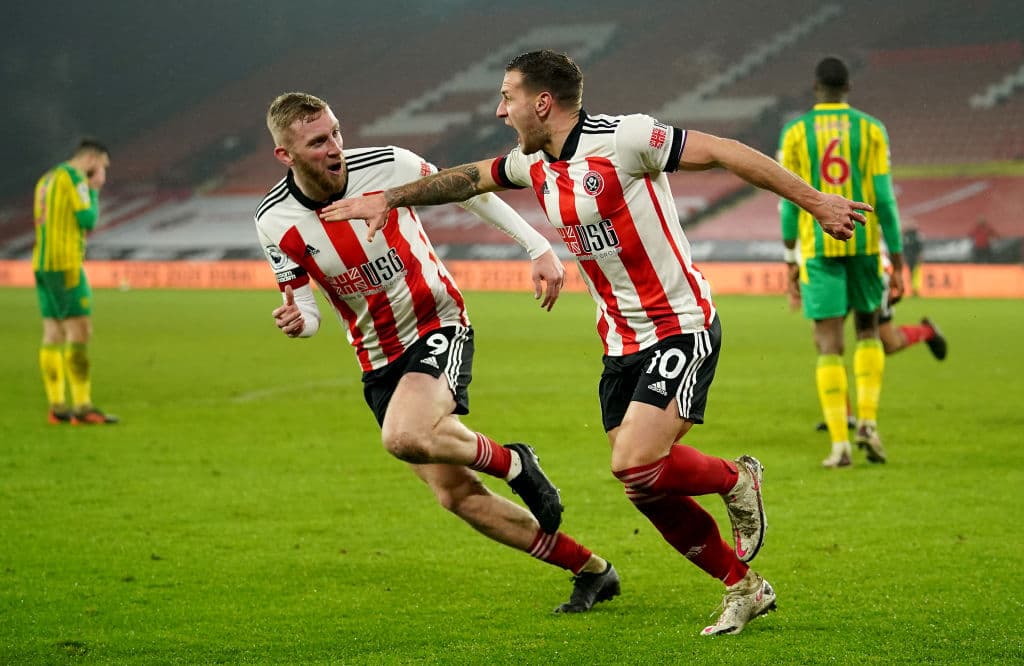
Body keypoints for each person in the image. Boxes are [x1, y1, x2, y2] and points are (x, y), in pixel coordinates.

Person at [322, 50, 872, 635]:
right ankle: (744, 586)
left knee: (634, 465)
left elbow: (724, 152)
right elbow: (466, 179)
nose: (500, 110)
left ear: (542, 102)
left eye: (507, 97)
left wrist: (815, 202)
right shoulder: (531, 164)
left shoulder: (626, 139)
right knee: (646, 488)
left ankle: (738, 479)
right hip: (619, 341)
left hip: (679, 324)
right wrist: (390, 198)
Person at [256, 92, 620, 614]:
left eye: (336, 132)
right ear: (285, 156)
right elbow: (305, 307)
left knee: (404, 435)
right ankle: (591, 570)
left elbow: (471, 191)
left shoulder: (388, 165)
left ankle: (517, 464)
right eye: (318, 142)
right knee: (457, 496)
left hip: (436, 324)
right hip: (377, 359)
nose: (335, 147)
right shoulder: (273, 219)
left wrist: (536, 246)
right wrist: (299, 322)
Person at [779, 56, 903, 468]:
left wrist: (790, 255)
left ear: (816, 88)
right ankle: (867, 420)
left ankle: (840, 446)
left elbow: (789, 201)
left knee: (828, 344)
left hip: (819, 247)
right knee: (869, 330)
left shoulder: (797, 132)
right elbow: (884, 197)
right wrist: (898, 257)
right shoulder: (871, 129)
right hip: (866, 244)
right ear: (848, 88)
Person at [33, 138, 118, 425]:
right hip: (66, 264)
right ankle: (82, 406)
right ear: (92, 159)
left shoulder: (47, 179)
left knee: (53, 333)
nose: (103, 175)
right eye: (103, 167)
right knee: (80, 332)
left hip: (42, 264)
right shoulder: (76, 179)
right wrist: (93, 190)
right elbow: (88, 219)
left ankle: (57, 406)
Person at [901, 221, 923, 297]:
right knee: (913, 274)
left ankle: (915, 289)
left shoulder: (911, 236)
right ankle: (914, 289)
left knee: (914, 274)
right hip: (911, 257)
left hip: (913, 257)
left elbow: (919, 248)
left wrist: (919, 256)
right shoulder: (914, 236)